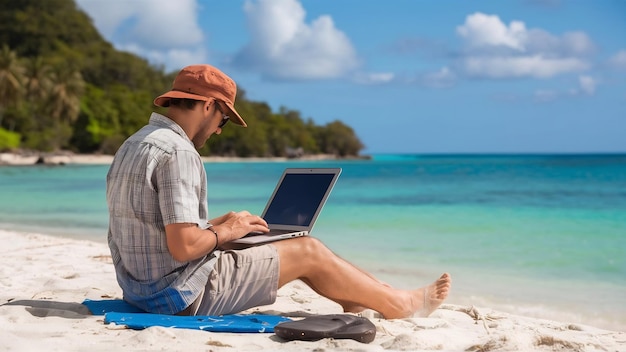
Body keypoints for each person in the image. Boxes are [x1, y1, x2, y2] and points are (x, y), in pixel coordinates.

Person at [106, 64, 451, 318]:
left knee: (286, 243)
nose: (219, 131)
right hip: (180, 297)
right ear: (209, 105)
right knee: (307, 250)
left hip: (140, 291)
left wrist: (216, 226)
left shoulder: (134, 144)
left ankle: (362, 297)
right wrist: (227, 232)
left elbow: (152, 227)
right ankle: (398, 304)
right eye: (223, 120)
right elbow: (182, 248)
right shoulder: (179, 152)